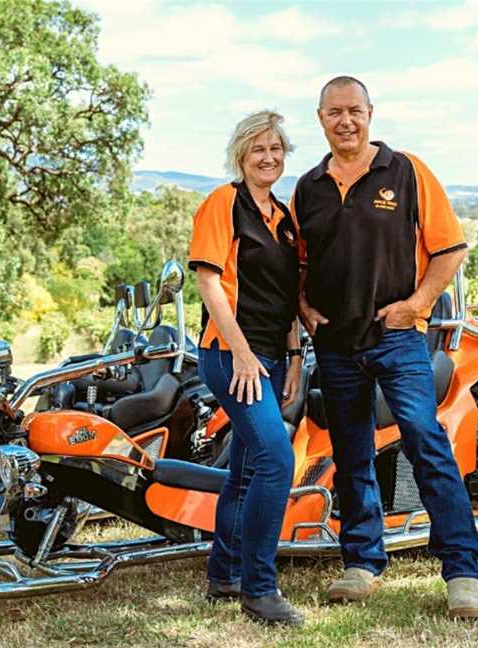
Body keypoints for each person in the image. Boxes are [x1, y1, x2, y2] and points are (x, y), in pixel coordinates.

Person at [291, 76, 478, 619]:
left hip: (399, 338)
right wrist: (305, 308)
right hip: (335, 344)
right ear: (321, 118)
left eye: (354, 110)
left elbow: (451, 248)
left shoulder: (406, 171)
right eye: (335, 112)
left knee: (426, 441)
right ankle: (362, 564)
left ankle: (463, 573)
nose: (345, 121)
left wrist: (417, 303)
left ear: (371, 113)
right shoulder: (307, 187)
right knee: (351, 454)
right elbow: (299, 263)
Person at [188, 110, 304, 626]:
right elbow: (210, 284)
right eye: (258, 148)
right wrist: (240, 352)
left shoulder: (283, 216)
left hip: (273, 358)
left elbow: (288, 297)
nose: (269, 157)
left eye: (276, 148)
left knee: (247, 469)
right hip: (230, 355)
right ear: (241, 153)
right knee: (277, 461)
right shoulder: (223, 203)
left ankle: (224, 575)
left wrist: (296, 357)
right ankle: (260, 589)